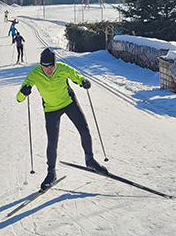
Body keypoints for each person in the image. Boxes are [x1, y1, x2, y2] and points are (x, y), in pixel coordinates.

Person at [17, 48, 108, 190]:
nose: (49, 70)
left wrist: (83, 81)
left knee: (84, 130)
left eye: (51, 66)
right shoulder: (34, 74)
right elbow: (19, 98)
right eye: (45, 67)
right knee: (52, 142)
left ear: (55, 63)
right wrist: (24, 92)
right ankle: (51, 173)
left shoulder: (62, 68)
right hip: (51, 109)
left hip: (69, 103)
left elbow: (76, 75)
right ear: (41, 65)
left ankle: (90, 160)